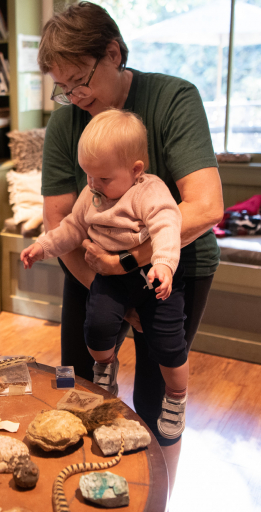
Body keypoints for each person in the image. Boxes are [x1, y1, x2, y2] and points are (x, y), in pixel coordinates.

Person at [38, 1, 224, 489]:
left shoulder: (173, 98)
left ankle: (155, 495)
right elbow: (60, 221)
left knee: (155, 395)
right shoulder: (65, 123)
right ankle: (88, 488)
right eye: (62, 87)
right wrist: (113, 296)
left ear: (114, 54)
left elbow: (204, 207)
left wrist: (129, 270)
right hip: (92, 267)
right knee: (82, 383)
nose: (73, 96)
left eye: (80, 80)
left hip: (175, 267)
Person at [21, 109, 188, 439]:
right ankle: (105, 366)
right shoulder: (92, 193)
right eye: (88, 176)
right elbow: (71, 226)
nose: (94, 185)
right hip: (111, 280)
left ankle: (177, 397)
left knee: (168, 345)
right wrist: (43, 246)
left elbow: (169, 226)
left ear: (135, 170)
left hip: (152, 277)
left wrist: (165, 265)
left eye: (104, 178)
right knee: (95, 327)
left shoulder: (148, 192)